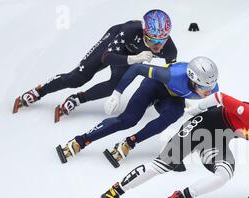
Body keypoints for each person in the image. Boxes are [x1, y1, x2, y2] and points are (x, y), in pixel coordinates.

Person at [85, 92, 249, 198]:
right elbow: (219, 97)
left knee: (224, 175)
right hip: (201, 125)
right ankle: (115, 192)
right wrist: (195, 110)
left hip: (217, 139)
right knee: (161, 166)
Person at [13, 9, 177, 122]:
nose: (157, 46)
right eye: (153, 40)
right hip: (114, 46)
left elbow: (173, 75)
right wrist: (134, 59)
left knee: (112, 88)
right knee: (77, 78)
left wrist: (179, 94)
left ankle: (77, 99)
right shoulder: (128, 31)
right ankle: (39, 91)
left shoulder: (169, 50)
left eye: (162, 40)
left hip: (132, 55)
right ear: (143, 32)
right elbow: (106, 57)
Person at [55, 56, 219, 164]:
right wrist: (117, 93)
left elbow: (215, 105)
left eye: (210, 86)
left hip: (172, 98)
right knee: (128, 120)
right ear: (191, 78)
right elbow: (137, 68)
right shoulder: (171, 74)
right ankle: (81, 140)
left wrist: (201, 110)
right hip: (154, 86)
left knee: (174, 113)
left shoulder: (211, 87)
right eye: (203, 87)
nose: (207, 90)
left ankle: (130, 142)